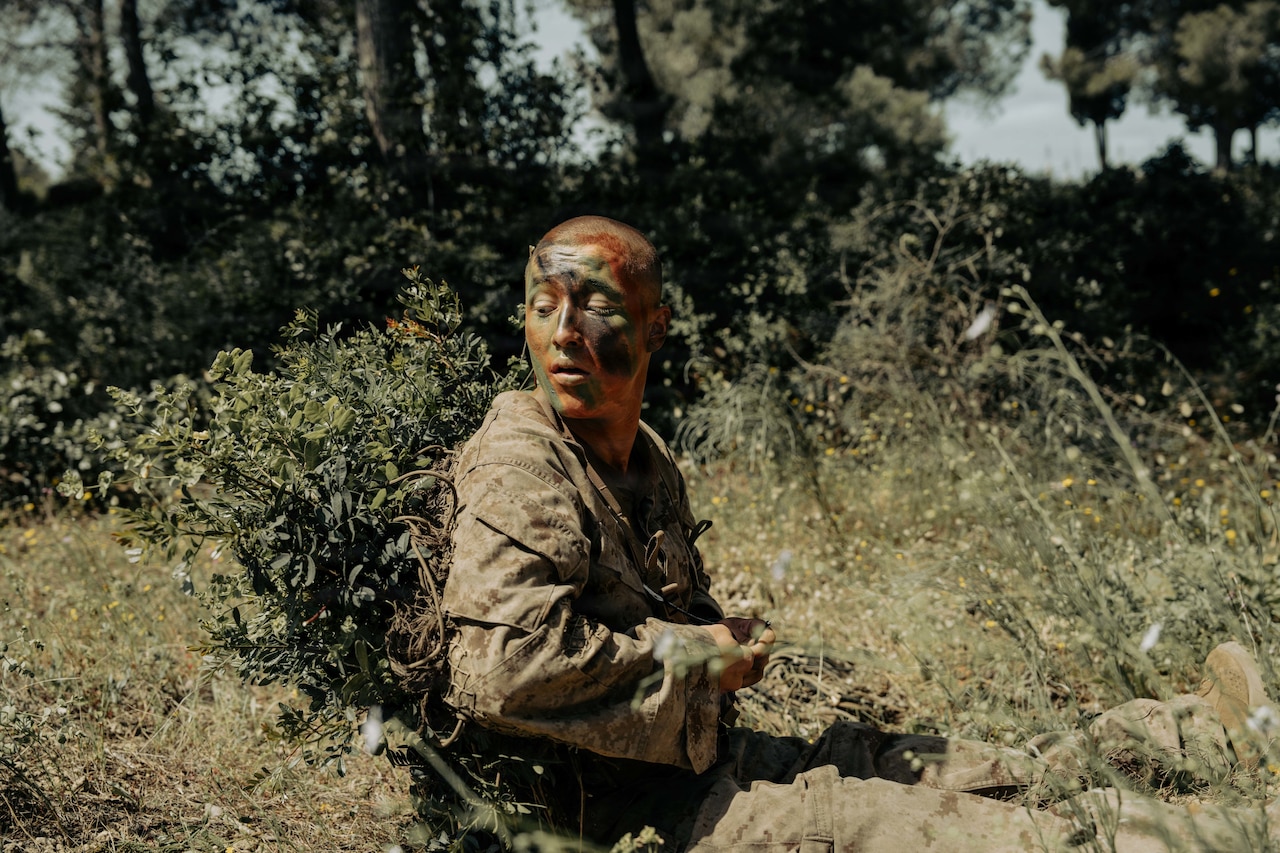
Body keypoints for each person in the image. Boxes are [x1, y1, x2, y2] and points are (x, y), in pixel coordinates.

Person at [439, 214, 1279, 851]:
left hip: (691, 758)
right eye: (543, 306)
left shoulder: (643, 455)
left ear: (655, 326)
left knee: (909, 758)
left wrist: (718, 633)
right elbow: (502, 670)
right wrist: (697, 657)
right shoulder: (521, 462)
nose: (562, 333)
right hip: (621, 814)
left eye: (594, 307)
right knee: (896, 821)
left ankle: (1189, 732)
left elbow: (654, 609)